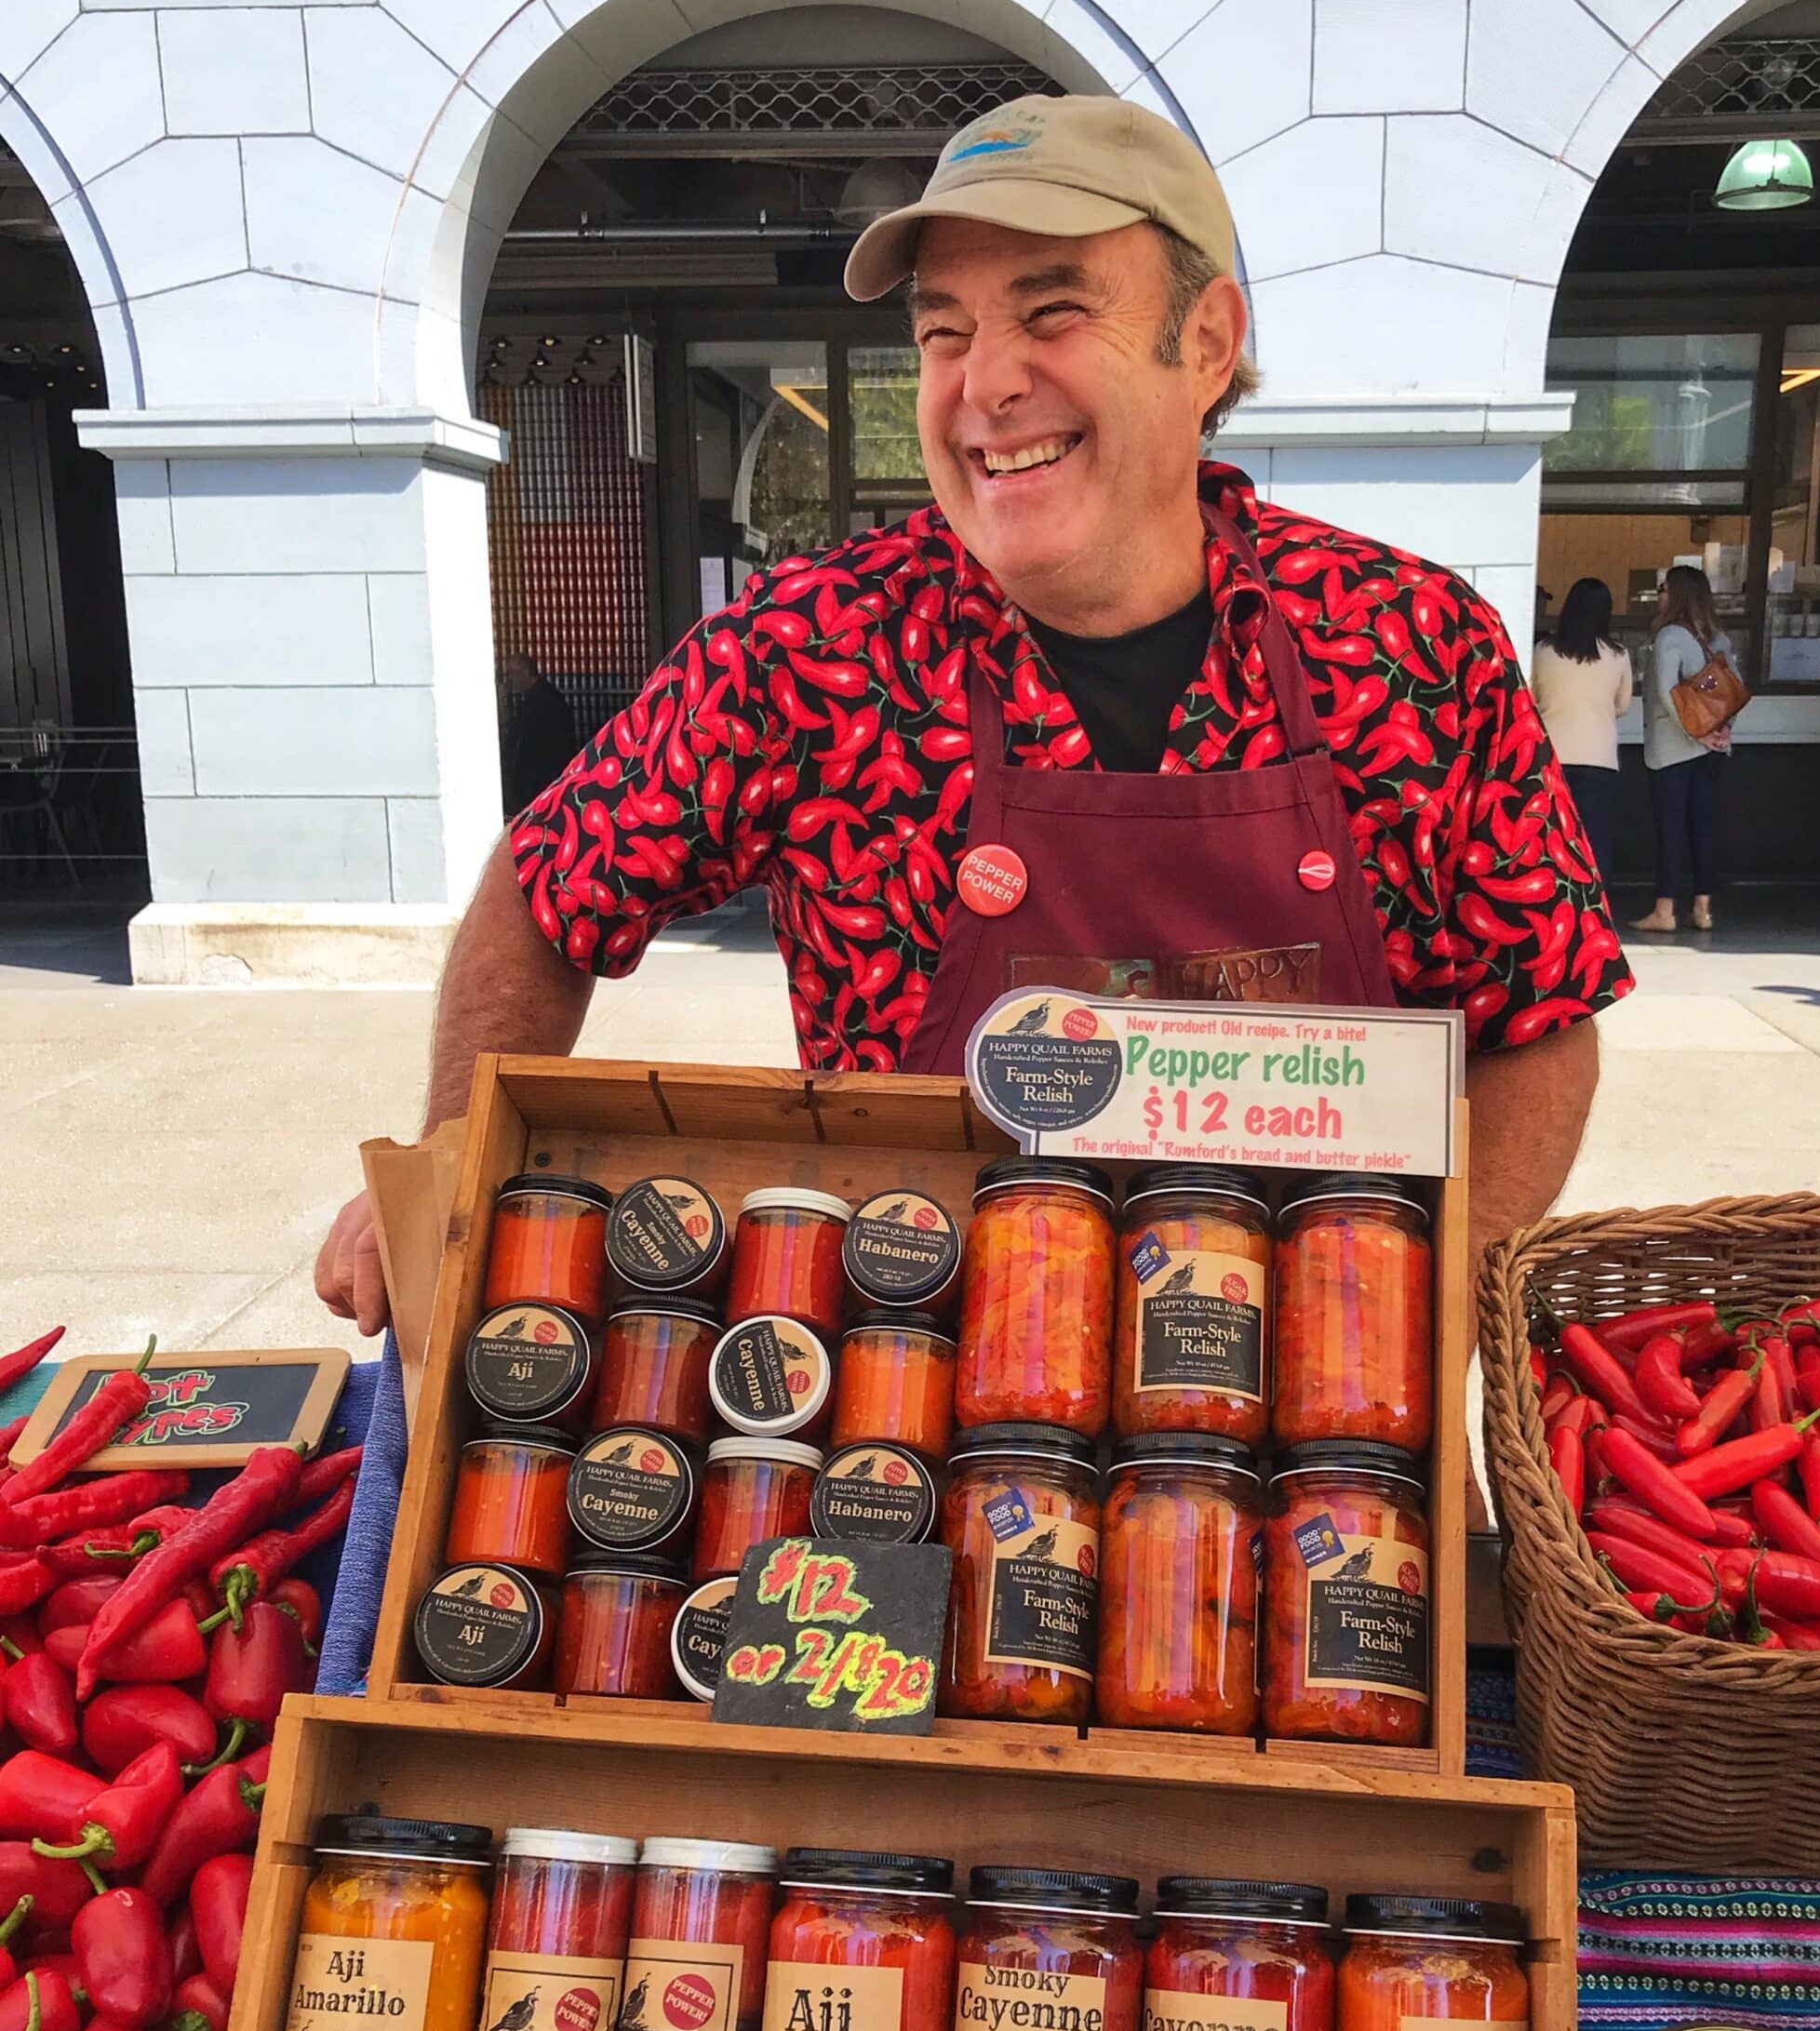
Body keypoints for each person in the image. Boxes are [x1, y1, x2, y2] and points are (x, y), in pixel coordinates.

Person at [317, 94, 1630, 1437]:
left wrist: (1429, 1325)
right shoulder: (811, 650)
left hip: (1314, 1457)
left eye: (1051, 313)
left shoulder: (1407, 645)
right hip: (916, 1424)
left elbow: (1540, 1018)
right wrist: (442, 1161)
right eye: (943, 332)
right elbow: (545, 891)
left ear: (1207, 342)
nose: (984, 382)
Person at [1635, 567, 1736, 935]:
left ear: (1674, 594)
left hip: (1671, 751)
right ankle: (1703, 909)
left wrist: (1695, 734)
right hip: (1710, 753)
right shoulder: (1718, 639)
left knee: (1670, 831)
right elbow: (1732, 693)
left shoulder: (1670, 637)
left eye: (1663, 588)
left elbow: (1666, 693)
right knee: (1703, 829)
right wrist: (1719, 733)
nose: (1659, 594)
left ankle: (1665, 910)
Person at [1530, 578, 1632, 884]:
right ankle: (1594, 908)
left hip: (1551, 755)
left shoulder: (1543, 651)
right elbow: (1623, 704)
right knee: (1595, 837)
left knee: (1551, 834)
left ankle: (1552, 898)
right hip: (1599, 758)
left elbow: (1530, 699)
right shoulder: (1618, 655)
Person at [500, 651, 579, 819]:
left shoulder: (541, 701)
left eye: (512, 674)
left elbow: (520, 735)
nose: (511, 681)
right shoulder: (541, 697)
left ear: (525, 672)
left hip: (542, 777)